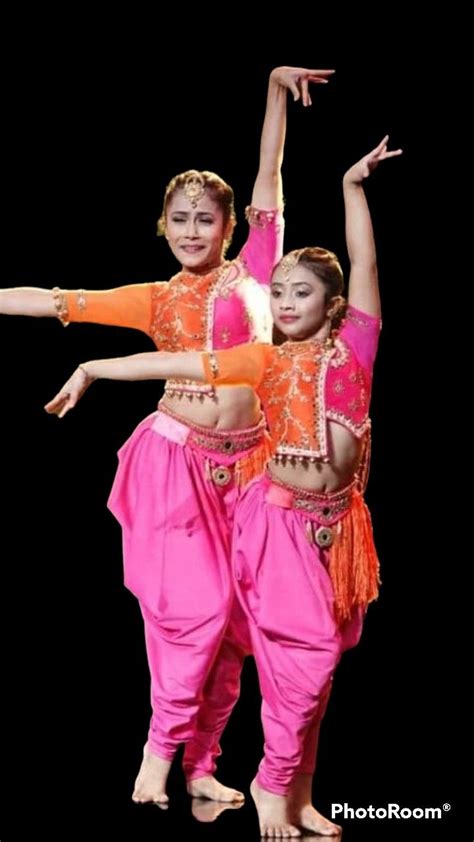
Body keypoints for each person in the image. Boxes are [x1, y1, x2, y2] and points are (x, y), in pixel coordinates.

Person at [46, 136, 402, 835]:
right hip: (276, 517)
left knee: (313, 667)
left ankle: (295, 795)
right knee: (295, 654)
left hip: (338, 526)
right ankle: (263, 783)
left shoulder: (357, 347)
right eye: (279, 292)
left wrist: (351, 186)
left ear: (334, 306)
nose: (286, 302)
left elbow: (365, 262)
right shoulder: (262, 359)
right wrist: (94, 368)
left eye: (302, 293)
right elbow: (177, 365)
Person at [1, 65, 336, 806]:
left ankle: (200, 764)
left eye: (205, 219)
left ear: (229, 227)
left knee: (235, 629)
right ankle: (157, 755)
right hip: (176, 466)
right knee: (197, 610)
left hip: (250, 470)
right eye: (179, 219)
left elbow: (270, 176)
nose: (191, 231)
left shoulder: (258, 271)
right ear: (163, 225)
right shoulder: (155, 298)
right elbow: (53, 301)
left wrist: (274, 92)